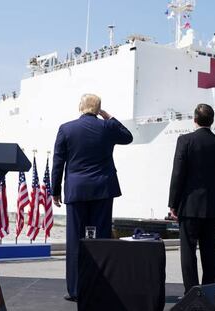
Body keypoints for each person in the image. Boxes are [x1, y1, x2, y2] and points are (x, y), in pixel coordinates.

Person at [51, 93, 133, 302]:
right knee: (101, 238)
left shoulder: (66, 129)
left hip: (77, 191)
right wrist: (108, 117)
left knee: (75, 240)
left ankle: (76, 290)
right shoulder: (107, 128)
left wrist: (55, 190)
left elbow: (58, 162)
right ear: (98, 109)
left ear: (80, 107)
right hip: (103, 190)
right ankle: (99, 286)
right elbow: (128, 137)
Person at [168, 103, 215, 294]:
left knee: (188, 253)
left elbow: (178, 174)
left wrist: (173, 203)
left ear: (194, 119)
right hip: (213, 207)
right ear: (212, 121)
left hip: (189, 207)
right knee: (211, 254)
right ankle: (210, 292)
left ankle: (192, 293)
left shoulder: (185, 141)